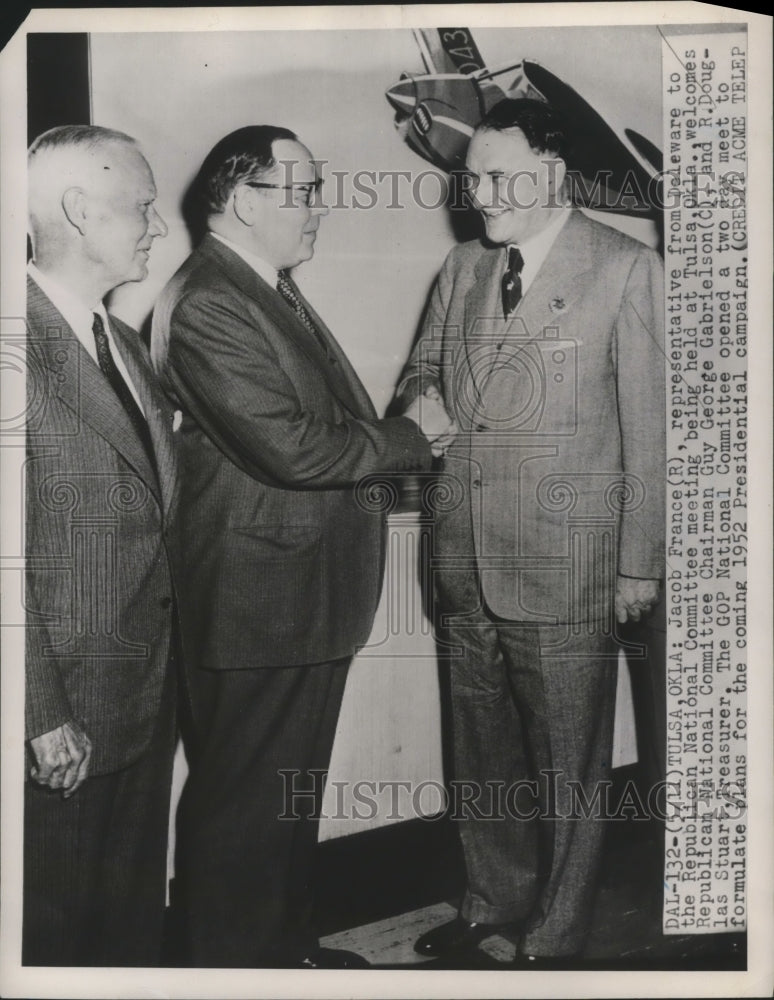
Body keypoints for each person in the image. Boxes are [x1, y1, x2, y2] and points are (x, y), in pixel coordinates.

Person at [150, 125, 454, 968]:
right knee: (247, 804)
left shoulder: (259, 286)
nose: (321, 208)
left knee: (284, 796)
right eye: (305, 191)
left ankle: (285, 951)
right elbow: (296, 448)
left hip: (295, 593)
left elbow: (319, 425)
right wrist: (411, 436)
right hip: (260, 597)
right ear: (245, 199)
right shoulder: (212, 299)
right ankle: (239, 970)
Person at [397, 98, 665, 967]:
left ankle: (555, 930)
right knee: (480, 750)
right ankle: (491, 901)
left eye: (498, 176)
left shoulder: (625, 268)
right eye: (473, 177)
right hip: (463, 556)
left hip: (569, 561)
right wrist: (415, 401)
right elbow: (422, 368)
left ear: (552, 175)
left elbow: (651, 430)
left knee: (567, 764)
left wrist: (638, 562)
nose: (478, 195)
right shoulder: (463, 265)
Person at [24, 125, 178, 966]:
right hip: (61, 721)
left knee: (122, 937)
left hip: (137, 696)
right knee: (49, 942)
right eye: (143, 207)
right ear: (80, 211)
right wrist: (39, 715)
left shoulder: (116, 339)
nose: (156, 226)